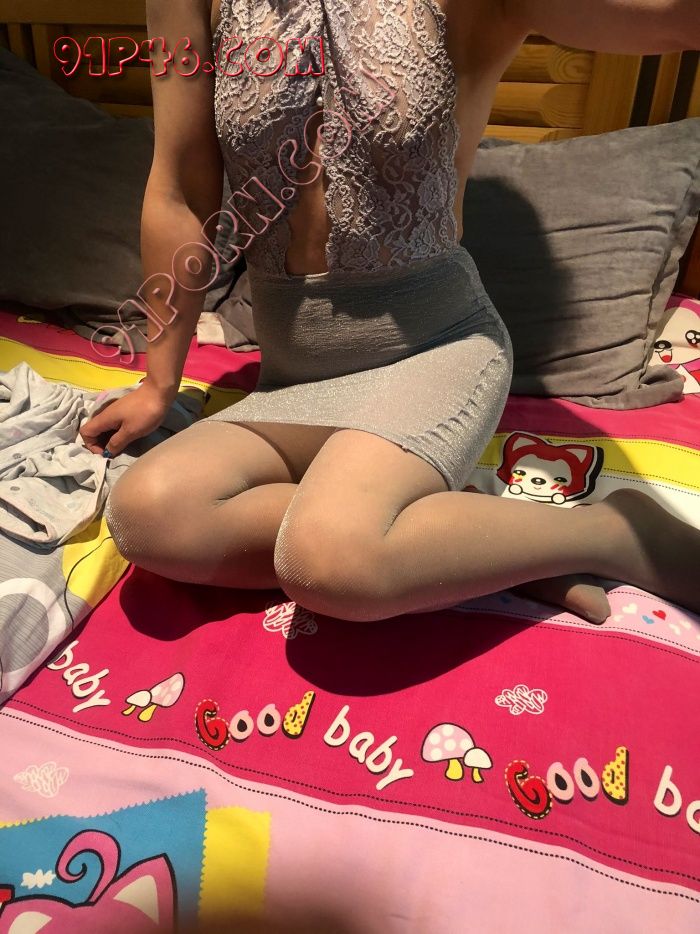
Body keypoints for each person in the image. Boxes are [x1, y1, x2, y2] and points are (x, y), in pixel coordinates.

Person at [81, 0, 700, 624]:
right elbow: (180, 189)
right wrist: (159, 383)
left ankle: (613, 531)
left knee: (331, 560)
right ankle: (461, 541)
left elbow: (664, 16)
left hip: (433, 351)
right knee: (150, 513)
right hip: (293, 377)